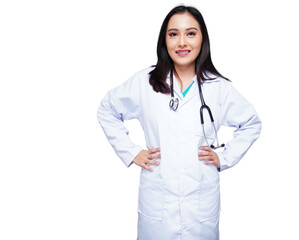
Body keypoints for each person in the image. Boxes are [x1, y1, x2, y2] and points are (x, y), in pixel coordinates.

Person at [97, 5, 261, 240]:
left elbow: (251, 123)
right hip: (158, 206)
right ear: (165, 41)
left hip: (201, 208)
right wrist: (132, 152)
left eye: (190, 33)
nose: (182, 42)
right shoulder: (145, 83)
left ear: (202, 39)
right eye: (173, 34)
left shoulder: (219, 88)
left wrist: (223, 158)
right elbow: (107, 109)